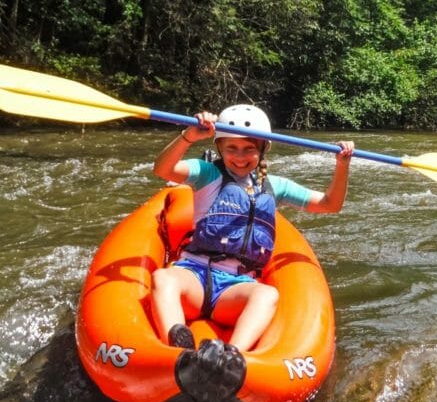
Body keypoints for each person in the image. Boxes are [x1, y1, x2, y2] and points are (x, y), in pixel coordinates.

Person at [151, 104, 353, 356]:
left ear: (262, 149)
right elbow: (163, 169)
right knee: (163, 278)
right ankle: (177, 345)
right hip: (193, 275)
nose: (240, 156)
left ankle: (230, 356)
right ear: (219, 148)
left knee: (267, 294)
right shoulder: (207, 174)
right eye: (231, 148)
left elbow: (329, 205)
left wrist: (342, 164)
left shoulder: (275, 186)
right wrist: (189, 136)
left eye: (249, 149)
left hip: (235, 287)